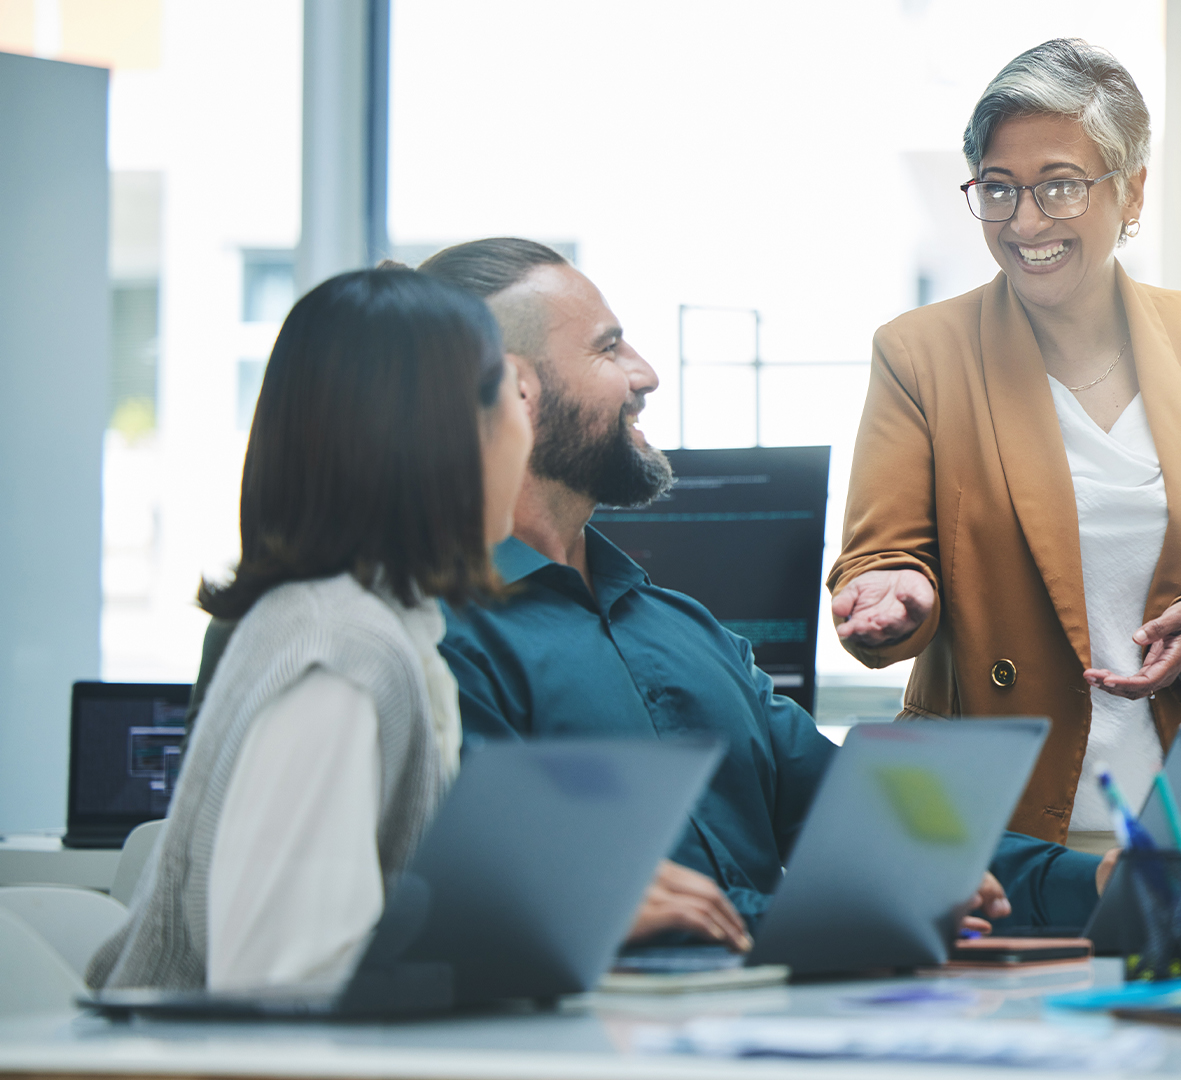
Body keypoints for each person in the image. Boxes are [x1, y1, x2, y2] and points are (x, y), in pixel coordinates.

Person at [419, 238, 1109, 935]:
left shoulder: (685, 629)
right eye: (609, 349)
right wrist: (885, 899)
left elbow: (866, 820)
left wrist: (1102, 884)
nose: (646, 374)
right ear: (516, 389)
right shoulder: (440, 644)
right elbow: (521, 898)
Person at [827, 38, 1181, 852]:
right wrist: (898, 596)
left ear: (1132, 189)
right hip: (998, 831)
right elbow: (880, 562)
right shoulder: (920, 352)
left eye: (1059, 186)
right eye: (998, 189)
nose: (1025, 222)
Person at [88, 268, 537, 990]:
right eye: (514, 394)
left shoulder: (364, 622)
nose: (527, 425)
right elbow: (280, 989)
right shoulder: (340, 651)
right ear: (446, 432)